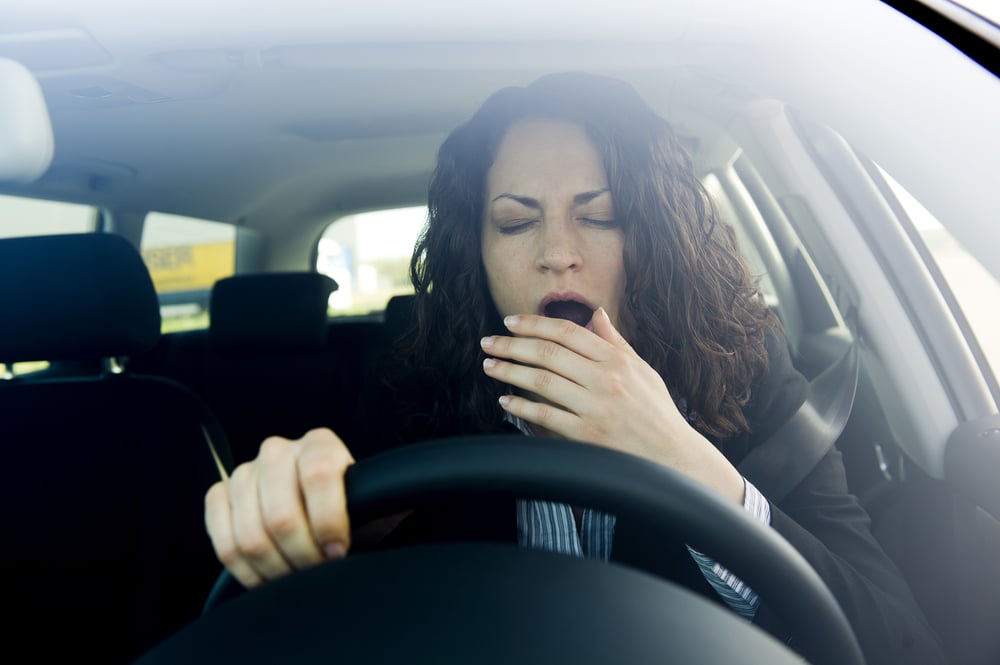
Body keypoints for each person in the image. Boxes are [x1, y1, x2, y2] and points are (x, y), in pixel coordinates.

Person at [204, 72, 945, 664]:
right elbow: (347, 586)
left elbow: (901, 645)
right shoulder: (414, 384)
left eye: (600, 214)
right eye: (516, 220)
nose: (557, 250)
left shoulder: (750, 370)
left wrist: (677, 453)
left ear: (652, 238)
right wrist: (307, 513)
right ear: (478, 253)